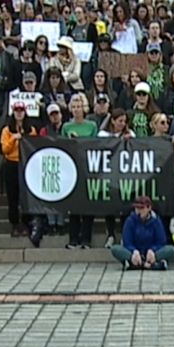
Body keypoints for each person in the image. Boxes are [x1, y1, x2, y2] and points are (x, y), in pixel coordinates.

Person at [62, 93, 100, 248]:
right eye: (74, 107)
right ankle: (73, 239)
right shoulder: (66, 127)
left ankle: (86, 239)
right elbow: (62, 147)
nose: (77, 109)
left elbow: (96, 145)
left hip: (88, 169)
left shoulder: (91, 126)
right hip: (72, 170)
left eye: (79, 106)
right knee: (74, 206)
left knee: (88, 206)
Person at [0, 102, 38, 239]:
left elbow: (34, 145)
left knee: (26, 196)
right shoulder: (6, 130)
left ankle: (26, 223)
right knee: (12, 196)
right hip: (11, 163)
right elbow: (4, 149)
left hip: (26, 164)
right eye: (16, 110)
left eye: (21, 110)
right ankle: (15, 224)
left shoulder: (31, 129)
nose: (19, 112)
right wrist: (13, 139)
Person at [111, 196, 174, 270]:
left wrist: (152, 250)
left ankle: (136, 264)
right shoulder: (130, 220)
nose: (139, 211)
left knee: (171, 250)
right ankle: (147, 264)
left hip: (151, 253)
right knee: (115, 249)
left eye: (142, 208)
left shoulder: (156, 221)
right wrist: (134, 251)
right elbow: (127, 241)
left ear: (149, 208)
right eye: (137, 208)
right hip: (135, 253)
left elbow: (161, 241)